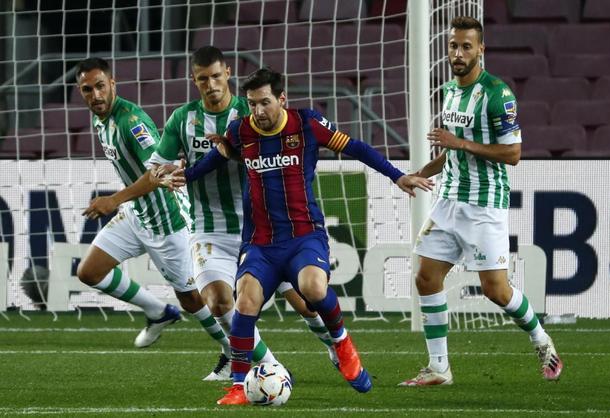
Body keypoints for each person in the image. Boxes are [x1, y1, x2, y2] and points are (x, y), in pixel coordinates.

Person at [161, 67, 434, 405]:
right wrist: (184, 176)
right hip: (260, 242)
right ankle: (239, 385)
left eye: (265, 102)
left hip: (303, 235)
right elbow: (214, 161)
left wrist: (396, 176)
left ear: (282, 99)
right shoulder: (240, 131)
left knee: (313, 289)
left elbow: (356, 147)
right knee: (245, 302)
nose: (258, 111)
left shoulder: (306, 124)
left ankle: (342, 343)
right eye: (252, 104)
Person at [107, 47, 339, 381]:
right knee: (217, 301)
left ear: (227, 73)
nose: (211, 84)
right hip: (209, 227)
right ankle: (270, 367)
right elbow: (156, 168)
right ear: (194, 80)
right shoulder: (182, 119)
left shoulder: (252, 111)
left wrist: (234, 154)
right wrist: (165, 175)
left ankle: (334, 345)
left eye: (216, 76)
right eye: (203, 79)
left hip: (264, 227)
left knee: (304, 301)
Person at [398, 17, 563, 387]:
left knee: (495, 290)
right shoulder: (449, 92)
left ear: (481, 49)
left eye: (466, 46)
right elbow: (453, 151)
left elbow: (513, 154)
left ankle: (541, 338)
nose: (458, 53)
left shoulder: (497, 94)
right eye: (453, 46)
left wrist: (459, 143)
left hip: (485, 205)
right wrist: (421, 172)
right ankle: (439, 368)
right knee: (426, 277)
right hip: (449, 200)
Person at [74, 58, 231, 362]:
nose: (96, 95)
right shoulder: (100, 119)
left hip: (167, 220)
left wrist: (114, 199)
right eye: (87, 89)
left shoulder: (132, 123)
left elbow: (157, 171)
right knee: (89, 272)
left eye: (100, 86)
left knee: (192, 299)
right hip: (136, 215)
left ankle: (232, 351)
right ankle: (158, 311)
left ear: (113, 84)